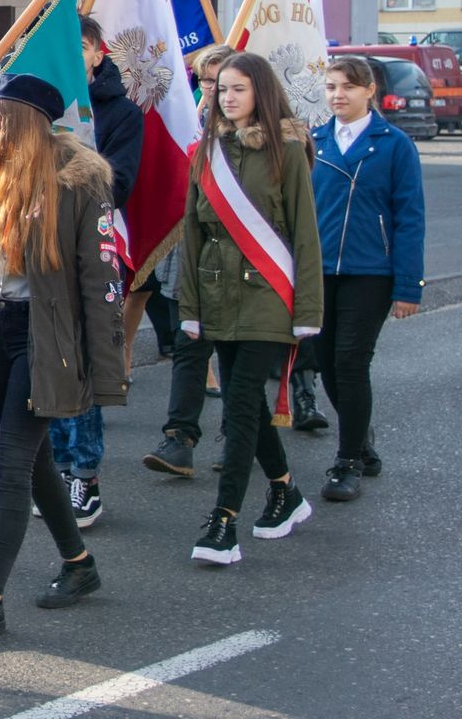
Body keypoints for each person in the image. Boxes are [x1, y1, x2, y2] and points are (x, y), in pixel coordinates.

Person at [0, 74, 128, 642]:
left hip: (45, 339)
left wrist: (105, 369)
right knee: (34, 465)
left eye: (3, 118)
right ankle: (79, 565)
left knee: (12, 465)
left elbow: (101, 280)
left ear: (32, 123)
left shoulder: (80, 181)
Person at [179, 51, 323, 566]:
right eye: (222, 89)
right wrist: (190, 305)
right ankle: (285, 490)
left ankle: (224, 521)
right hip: (218, 294)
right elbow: (192, 234)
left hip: (269, 294)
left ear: (261, 91)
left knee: (239, 404)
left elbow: (305, 233)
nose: (228, 97)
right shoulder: (207, 152)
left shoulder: (287, 149)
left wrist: (308, 311)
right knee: (251, 406)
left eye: (239, 88)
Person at [311, 55, 424, 501]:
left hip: (371, 272)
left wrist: (408, 285)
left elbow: (410, 217)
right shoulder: (314, 142)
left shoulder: (394, 144)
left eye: (348, 87)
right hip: (321, 271)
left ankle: (348, 462)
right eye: (331, 87)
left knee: (351, 363)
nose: (338, 95)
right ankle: (362, 441)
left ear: (369, 90)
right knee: (326, 363)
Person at [46, 15, 143, 528]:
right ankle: (59, 466)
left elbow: (118, 183)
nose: (72, 53)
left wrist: (63, 169)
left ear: (98, 53)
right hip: (40, 243)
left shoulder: (121, 113)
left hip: (93, 243)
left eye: (80, 45)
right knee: (49, 360)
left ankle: (86, 473)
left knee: (80, 359)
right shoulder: (38, 105)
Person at [144, 43, 235, 476]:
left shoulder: (261, 136)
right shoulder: (188, 125)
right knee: (189, 347)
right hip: (192, 254)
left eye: (222, 82)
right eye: (206, 81)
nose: (212, 90)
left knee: (234, 354)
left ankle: (237, 436)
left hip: (238, 259)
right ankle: (179, 438)